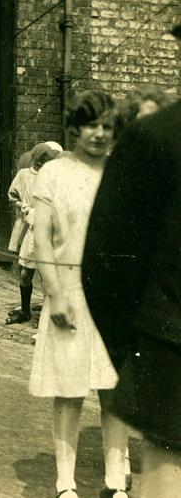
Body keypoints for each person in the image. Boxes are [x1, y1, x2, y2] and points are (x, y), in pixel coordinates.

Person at [27, 90, 128, 498]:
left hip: (116, 296)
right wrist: (55, 294)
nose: (99, 134)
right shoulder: (54, 173)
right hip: (68, 290)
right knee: (69, 391)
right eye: (91, 126)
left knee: (115, 391)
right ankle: (65, 483)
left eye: (107, 126)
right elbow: (42, 240)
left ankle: (115, 481)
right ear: (74, 128)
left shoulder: (123, 172)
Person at [83, 89, 181, 498]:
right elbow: (109, 261)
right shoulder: (157, 138)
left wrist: (135, 349)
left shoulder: (156, 135)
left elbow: (107, 267)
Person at [5, 143, 60, 325]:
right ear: (39, 158)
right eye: (47, 158)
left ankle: (46, 314)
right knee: (25, 273)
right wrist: (24, 207)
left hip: (48, 229)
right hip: (31, 229)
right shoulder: (24, 175)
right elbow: (12, 195)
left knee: (47, 274)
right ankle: (25, 310)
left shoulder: (52, 176)